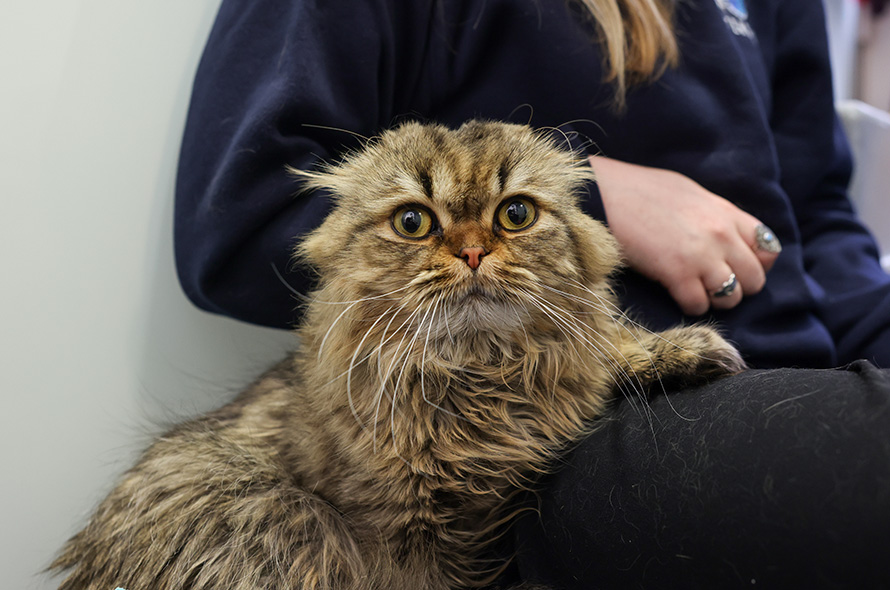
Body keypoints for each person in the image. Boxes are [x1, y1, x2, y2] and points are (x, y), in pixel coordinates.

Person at [174, 0, 890, 586]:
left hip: (804, 372)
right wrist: (592, 194)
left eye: (512, 217)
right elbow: (241, 212)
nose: (475, 247)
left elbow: (819, 212)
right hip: (580, 407)